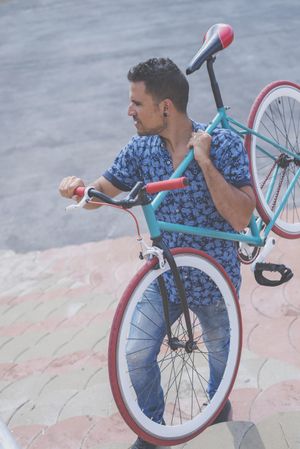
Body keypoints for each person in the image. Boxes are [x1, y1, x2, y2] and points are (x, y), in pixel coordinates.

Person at [59, 58, 256, 449]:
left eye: (136, 102)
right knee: (134, 353)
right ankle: (153, 429)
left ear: (165, 107)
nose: (128, 110)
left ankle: (217, 409)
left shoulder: (223, 143)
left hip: (215, 278)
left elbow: (241, 216)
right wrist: (79, 189)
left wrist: (205, 163)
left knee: (221, 356)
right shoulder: (141, 148)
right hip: (165, 275)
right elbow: (103, 192)